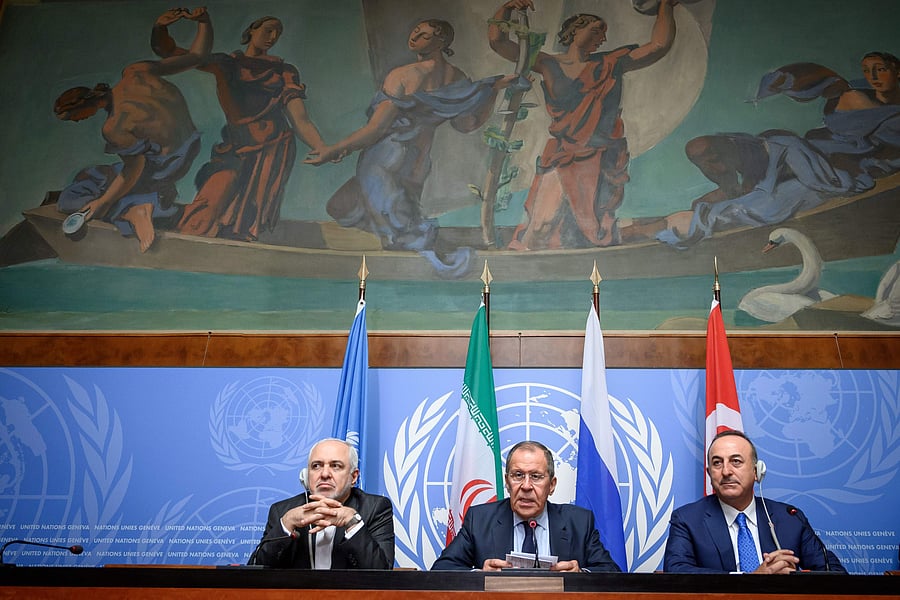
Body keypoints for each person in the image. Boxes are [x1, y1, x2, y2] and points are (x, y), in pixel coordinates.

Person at [305, 19, 517, 277]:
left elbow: (376, 129)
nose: (414, 36)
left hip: (386, 157)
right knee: (345, 206)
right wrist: (491, 92)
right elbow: (467, 124)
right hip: (418, 162)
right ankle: (407, 246)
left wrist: (335, 149)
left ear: (442, 42)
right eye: (415, 31)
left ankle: (429, 263)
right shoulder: (458, 78)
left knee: (399, 228)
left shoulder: (403, 75)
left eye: (424, 34)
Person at [645, 52, 900, 247]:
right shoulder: (853, 95)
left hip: (840, 165)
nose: (873, 76)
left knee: (774, 191)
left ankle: (701, 220)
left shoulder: (875, 108)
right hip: (819, 155)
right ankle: (709, 210)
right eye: (867, 70)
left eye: (880, 69)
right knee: (777, 154)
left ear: (896, 70)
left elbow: (877, 147)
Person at [488, 0, 678, 251]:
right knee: (540, 224)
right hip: (563, 152)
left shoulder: (609, 63)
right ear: (574, 30)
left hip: (598, 155)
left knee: (591, 227)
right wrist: (506, 8)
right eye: (597, 29)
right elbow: (498, 42)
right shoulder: (547, 63)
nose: (602, 37)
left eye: (604, 33)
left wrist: (666, 5)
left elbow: (658, 46)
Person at [152, 13, 327, 241]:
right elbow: (171, 53)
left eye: (277, 33)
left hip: (273, 148)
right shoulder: (228, 64)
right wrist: (160, 27)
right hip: (237, 144)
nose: (272, 37)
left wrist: (320, 145)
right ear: (252, 31)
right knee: (211, 199)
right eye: (268, 30)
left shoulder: (284, 71)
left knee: (246, 219)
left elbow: (300, 118)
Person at [54, 8, 210, 253]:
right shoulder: (137, 71)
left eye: (73, 117)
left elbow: (133, 170)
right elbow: (197, 56)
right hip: (189, 147)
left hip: (163, 166)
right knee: (92, 175)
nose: (76, 121)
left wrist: (104, 204)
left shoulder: (114, 126)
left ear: (83, 106)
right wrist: (203, 21)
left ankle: (134, 210)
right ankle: (150, 200)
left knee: (71, 198)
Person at [663, 430, 846, 573]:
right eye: (717, 463)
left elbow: (834, 573)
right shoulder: (687, 519)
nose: (726, 471)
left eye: (736, 461)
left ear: (757, 471)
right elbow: (677, 571)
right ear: (710, 474)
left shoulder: (790, 518)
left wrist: (793, 579)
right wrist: (751, 579)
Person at [431, 440, 621, 572]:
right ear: (507, 482)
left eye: (536, 476)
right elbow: (441, 570)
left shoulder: (578, 522)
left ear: (552, 485)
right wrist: (480, 574)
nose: (526, 486)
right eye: (518, 475)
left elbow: (611, 574)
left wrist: (580, 576)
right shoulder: (479, 520)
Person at [248, 438, 394, 569]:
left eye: (335, 466)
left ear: (354, 477)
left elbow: (382, 572)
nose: (324, 474)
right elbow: (254, 572)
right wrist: (286, 524)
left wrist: (352, 523)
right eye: (316, 466)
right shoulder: (282, 510)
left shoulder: (375, 508)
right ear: (306, 475)